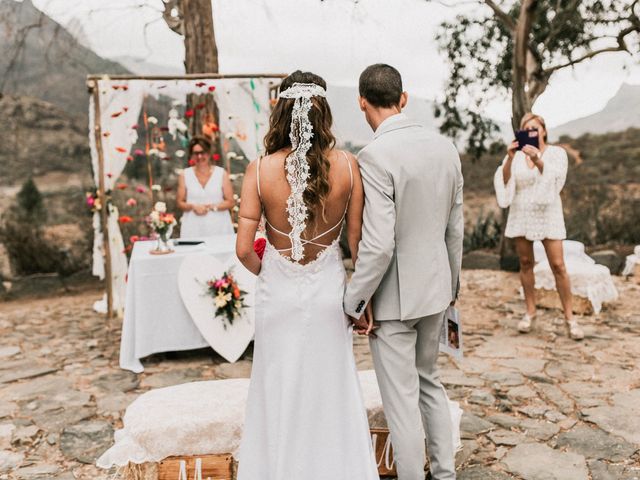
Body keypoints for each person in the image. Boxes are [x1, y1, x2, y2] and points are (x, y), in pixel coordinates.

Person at [235, 71, 379, 480]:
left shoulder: (259, 170)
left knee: (276, 388)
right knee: (329, 388)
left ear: (281, 112)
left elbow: (244, 250)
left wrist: (276, 271)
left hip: (277, 295)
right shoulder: (349, 166)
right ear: (323, 113)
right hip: (328, 297)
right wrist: (362, 301)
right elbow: (357, 246)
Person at [344, 64, 463, 480]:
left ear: (362, 103)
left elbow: (378, 245)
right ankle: (445, 475)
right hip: (436, 289)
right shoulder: (446, 148)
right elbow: (455, 228)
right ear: (404, 98)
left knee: (401, 402)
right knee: (429, 382)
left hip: (392, 300)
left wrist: (354, 300)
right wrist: (453, 285)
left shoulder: (374, 155)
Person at [493, 113, 583, 340]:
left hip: (548, 213)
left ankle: (570, 317)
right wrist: (511, 157)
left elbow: (556, 181)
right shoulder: (515, 155)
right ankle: (530, 312)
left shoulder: (556, 153)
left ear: (543, 130)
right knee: (525, 263)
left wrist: (539, 159)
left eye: (535, 128)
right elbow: (504, 181)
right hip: (521, 212)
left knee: (558, 265)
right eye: (526, 129)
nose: (531, 132)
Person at [176, 136, 234, 238]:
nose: (199, 156)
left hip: (219, 226)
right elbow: (180, 203)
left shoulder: (221, 173)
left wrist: (211, 207)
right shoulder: (185, 174)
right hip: (192, 227)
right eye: (196, 153)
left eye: (202, 152)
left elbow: (230, 202)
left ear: (209, 153)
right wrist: (193, 206)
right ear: (191, 155)